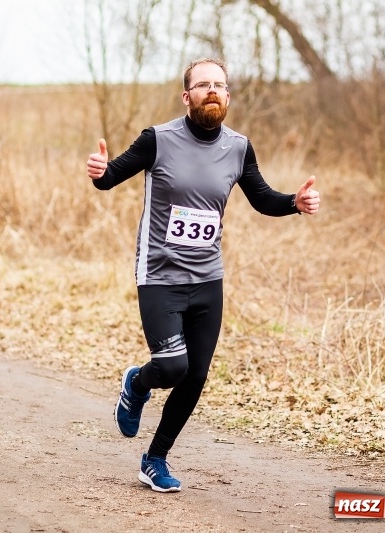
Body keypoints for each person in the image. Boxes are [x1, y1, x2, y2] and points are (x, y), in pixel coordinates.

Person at [85, 58, 320, 493]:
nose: (212, 90)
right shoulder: (158, 139)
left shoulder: (238, 147)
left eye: (220, 85)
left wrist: (295, 203)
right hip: (159, 274)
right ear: (186, 95)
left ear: (228, 96)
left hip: (208, 278)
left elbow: (262, 197)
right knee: (173, 366)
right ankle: (137, 383)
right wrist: (100, 171)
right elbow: (110, 177)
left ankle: (155, 459)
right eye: (203, 84)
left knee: (195, 376)